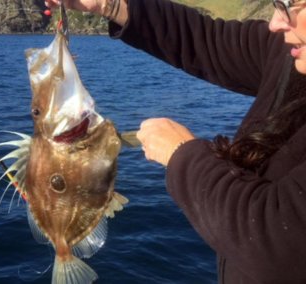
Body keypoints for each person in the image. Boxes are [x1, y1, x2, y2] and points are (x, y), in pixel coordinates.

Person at [45, 0, 306, 283]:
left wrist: (182, 155)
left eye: (291, 5)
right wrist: (109, 5)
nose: (275, 23)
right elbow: (204, 40)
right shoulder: (289, 53)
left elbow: (276, 240)